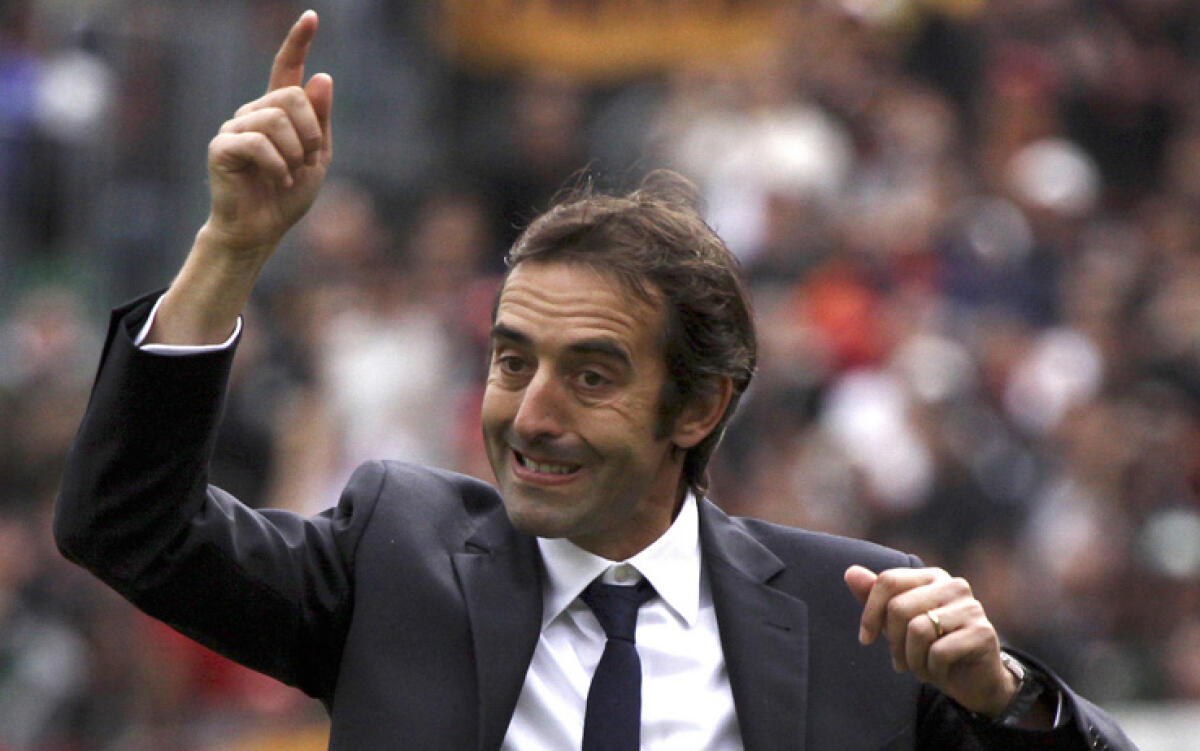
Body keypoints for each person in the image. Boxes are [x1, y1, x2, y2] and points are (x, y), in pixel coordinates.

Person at [55, 12, 1135, 750]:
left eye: (592, 373)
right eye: (511, 358)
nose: (532, 412)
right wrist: (232, 248)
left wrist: (1005, 697)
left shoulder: (855, 615)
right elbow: (127, 525)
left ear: (700, 406)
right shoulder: (394, 559)